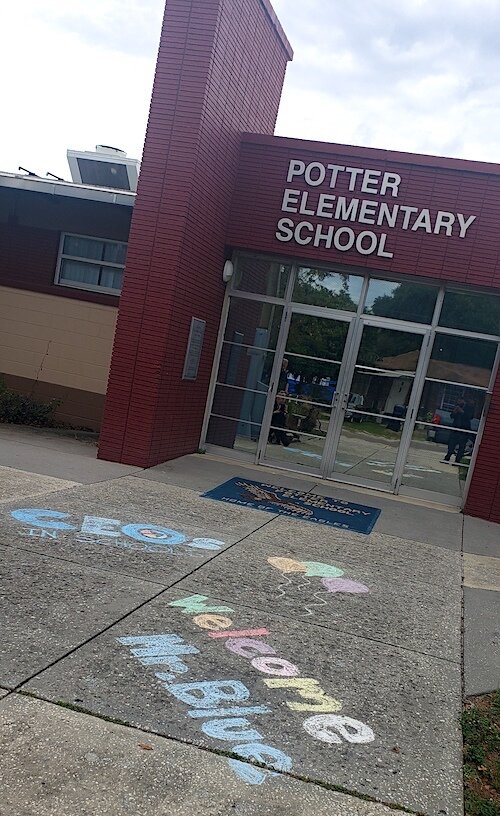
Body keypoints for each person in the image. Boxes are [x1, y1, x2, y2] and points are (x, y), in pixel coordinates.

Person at [441, 397, 475, 464]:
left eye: (460, 401)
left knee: (461, 447)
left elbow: (469, 417)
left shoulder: (469, 408)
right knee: (451, 445)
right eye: (458, 401)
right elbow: (452, 416)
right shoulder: (457, 407)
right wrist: (455, 411)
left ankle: (457, 461)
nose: (458, 402)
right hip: (455, 429)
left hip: (463, 430)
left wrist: (462, 411)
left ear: (464, 401)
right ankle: (447, 458)